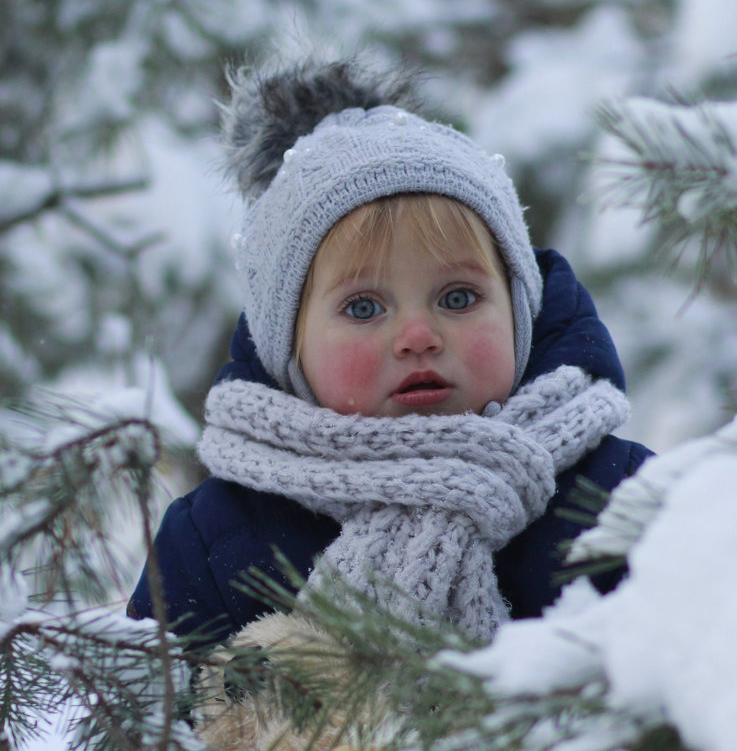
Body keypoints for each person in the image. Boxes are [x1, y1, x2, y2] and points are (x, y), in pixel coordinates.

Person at [128, 57, 654, 647]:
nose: (417, 335)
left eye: (458, 297)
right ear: (289, 350)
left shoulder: (618, 496)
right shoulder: (214, 538)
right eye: (363, 308)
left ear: (518, 314)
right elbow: (141, 722)